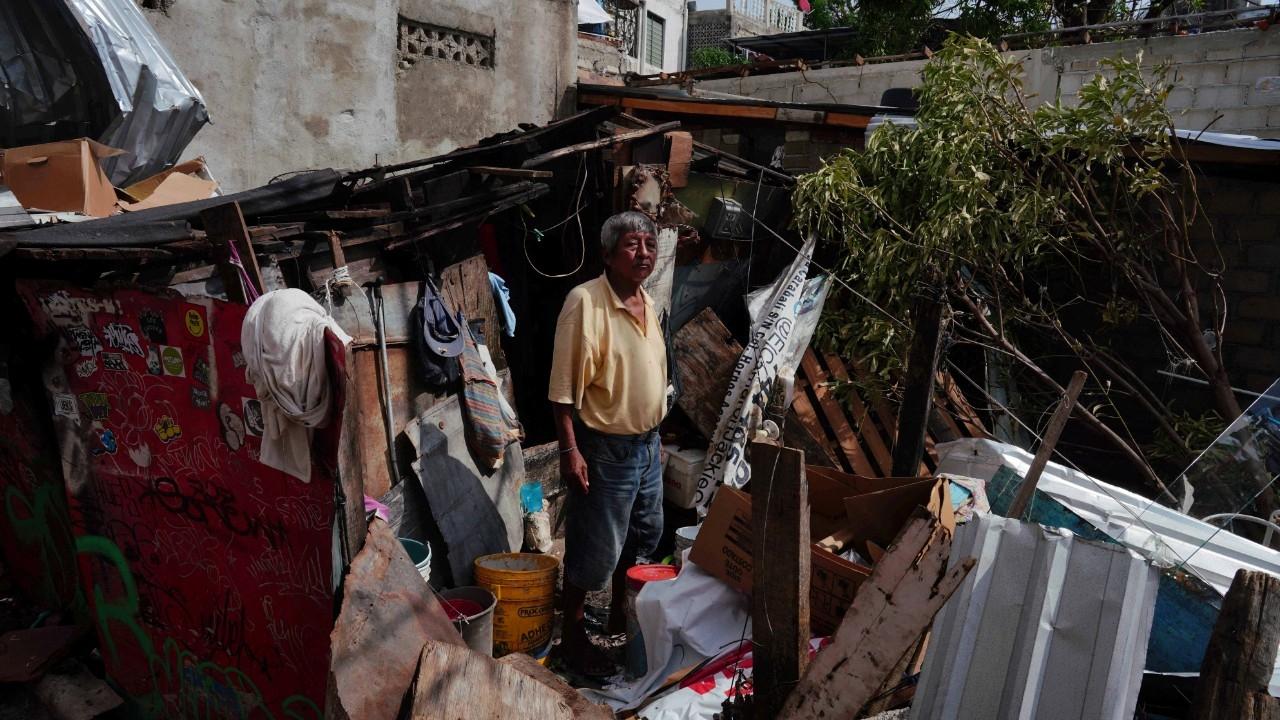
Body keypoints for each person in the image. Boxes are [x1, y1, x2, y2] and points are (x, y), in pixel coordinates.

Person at [548, 211, 667, 677]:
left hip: (646, 446)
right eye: (633, 245)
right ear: (608, 253)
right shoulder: (585, 302)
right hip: (605, 450)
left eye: (650, 245)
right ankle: (573, 639)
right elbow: (561, 390)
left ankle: (620, 614)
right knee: (595, 550)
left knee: (642, 539)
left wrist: (653, 436)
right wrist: (569, 450)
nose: (644, 254)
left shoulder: (649, 303)